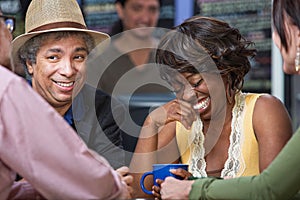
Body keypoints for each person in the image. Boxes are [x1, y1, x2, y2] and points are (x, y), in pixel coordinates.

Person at [130, 16, 294, 198]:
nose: (187, 95)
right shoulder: (175, 123)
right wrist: (150, 122)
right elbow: (140, 191)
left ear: (226, 71)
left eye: (197, 82)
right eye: (177, 87)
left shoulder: (263, 111)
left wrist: (193, 188)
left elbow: (275, 194)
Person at [0, 8, 132, 200]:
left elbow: (115, 178)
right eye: (53, 57)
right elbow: (106, 187)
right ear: (30, 63)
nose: (68, 70)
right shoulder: (10, 96)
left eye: (78, 57)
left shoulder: (103, 107)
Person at [96, 0, 173, 165]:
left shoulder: (171, 57)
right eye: (137, 8)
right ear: (120, 9)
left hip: (164, 162)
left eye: (152, 9)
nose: (145, 17)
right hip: (112, 161)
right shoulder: (98, 59)